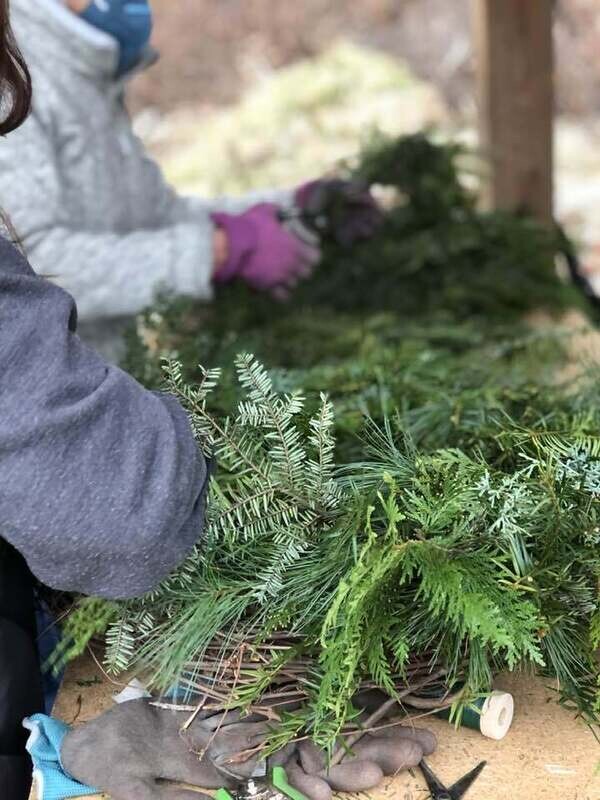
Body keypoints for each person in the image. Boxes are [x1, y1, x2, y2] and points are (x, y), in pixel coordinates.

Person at [0, 0, 380, 363]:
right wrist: (218, 251)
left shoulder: (85, 77)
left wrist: (290, 205)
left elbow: (157, 216)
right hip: (51, 391)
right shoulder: (14, 83)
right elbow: (33, 264)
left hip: (102, 375)